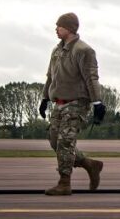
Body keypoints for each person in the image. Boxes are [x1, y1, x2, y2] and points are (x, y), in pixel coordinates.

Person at [39, 12, 106, 196]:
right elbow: (50, 77)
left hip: (76, 103)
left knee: (65, 143)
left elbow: (91, 78)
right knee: (54, 141)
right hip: (58, 103)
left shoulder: (84, 51)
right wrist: (45, 98)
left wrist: (97, 101)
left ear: (69, 28)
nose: (56, 29)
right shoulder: (56, 50)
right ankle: (89, 164)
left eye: (59, 26)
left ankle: (64, 182)